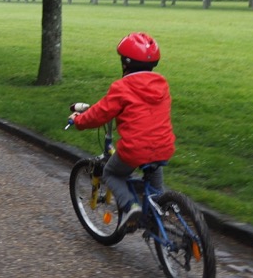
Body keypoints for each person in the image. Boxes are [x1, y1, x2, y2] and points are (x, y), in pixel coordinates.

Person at [68, 32, 175, 231]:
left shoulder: (122, 87)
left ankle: (131, 207)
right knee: (156, 188)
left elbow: (99, 114)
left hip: (135, 150)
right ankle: (161, 216)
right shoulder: (161, 84)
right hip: (163, 145)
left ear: (125, 63)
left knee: (111, 173)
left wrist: (79, 120)